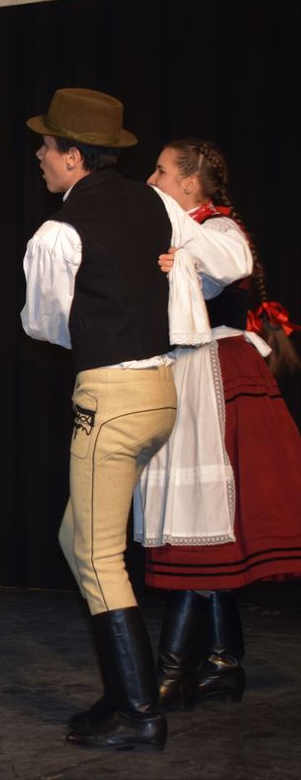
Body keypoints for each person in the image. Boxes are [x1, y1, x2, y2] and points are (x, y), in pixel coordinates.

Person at [21, 88, 252, 751]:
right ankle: (123, 694)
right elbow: (233, 260)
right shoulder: (155, 203)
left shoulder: (58, 232)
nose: (40, 156)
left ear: (73, 156)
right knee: (77, 538)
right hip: (160, 393)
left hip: (112, 396)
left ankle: (142, 711)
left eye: (46, 146)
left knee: (98, 558)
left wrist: (109, 316)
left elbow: (45, 324)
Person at [136, 139, 301, 711]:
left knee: (202, 522)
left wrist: (177, 243)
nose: (152, 179)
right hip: (185, 372)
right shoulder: (183, 231)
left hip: (216, 376)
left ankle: (176, 670)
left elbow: (232, 266)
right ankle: (223, 663)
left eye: (161, 170)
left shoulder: (218, 229)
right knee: (206, 525)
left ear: (189, 183)